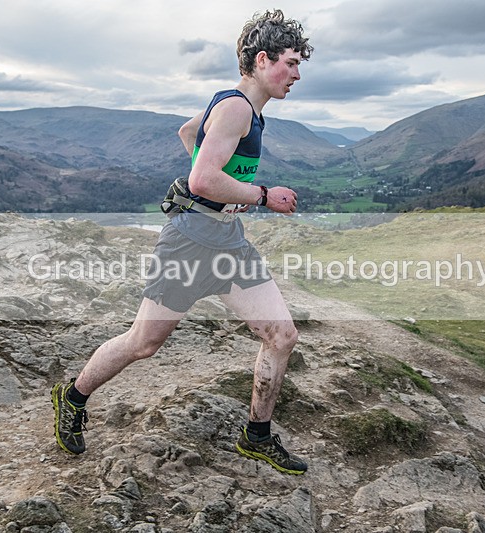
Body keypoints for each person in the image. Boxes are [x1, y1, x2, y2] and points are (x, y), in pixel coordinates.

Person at [51, 10, 313, 475]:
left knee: (281, 335)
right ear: (261, 59)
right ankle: (71, 397)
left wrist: (219, 196)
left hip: (228, 241)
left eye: (298, 65)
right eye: (290, 63)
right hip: (189, 243)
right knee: (143, 343)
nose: (296, 74)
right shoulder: (236, 108)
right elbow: (203, 176)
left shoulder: (242, 109)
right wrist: (261, 195)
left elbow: (189, 133)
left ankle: (257, 435)